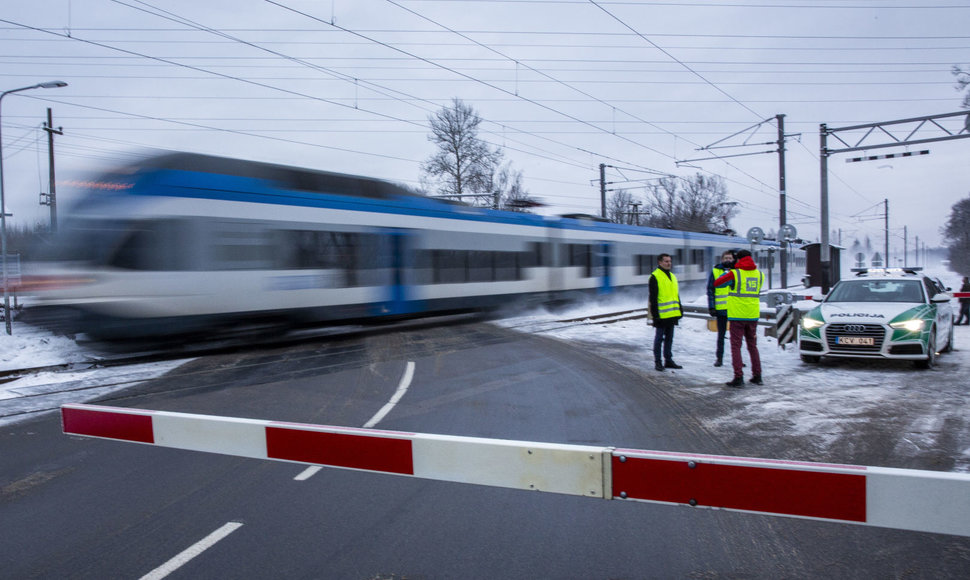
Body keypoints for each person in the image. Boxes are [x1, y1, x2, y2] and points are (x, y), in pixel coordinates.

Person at [714, 249, 763, 388]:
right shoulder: (759, 274)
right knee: (752, 346)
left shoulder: (735, 274)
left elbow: (718, 283)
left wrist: (728, 271)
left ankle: (738, 376)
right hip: (753, 316)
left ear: (738, 260)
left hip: (737, 316)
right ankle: (757, 375)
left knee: (736, 346)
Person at [649, 253, 683, 372]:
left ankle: (668, 360)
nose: (669, 263)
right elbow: (653, 299)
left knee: (669, 339)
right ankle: (658, 362)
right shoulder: (655, 276)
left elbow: (675, 295)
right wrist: (655, 315)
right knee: (659, 339)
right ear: (660, 262)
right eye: (666, 261)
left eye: (670, 261)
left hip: (672, 314)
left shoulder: (673, 276)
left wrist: (680, 309)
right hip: (661, 315)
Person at [706, 249, 736, 367]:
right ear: (722, 259)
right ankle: (719, 358)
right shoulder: (715, 271)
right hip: (720, 310)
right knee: (721, 336)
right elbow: (710, 290)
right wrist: (712, 307)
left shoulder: (737, 272)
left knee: (736, 338)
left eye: (730, 258)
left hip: (734, 309)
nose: (728, 260)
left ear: (733, 259)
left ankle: (737, 360)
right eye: (726, 258)